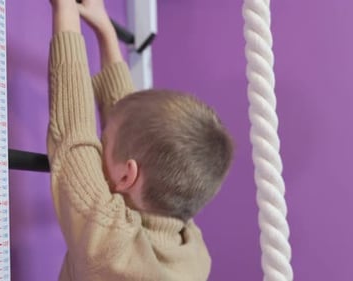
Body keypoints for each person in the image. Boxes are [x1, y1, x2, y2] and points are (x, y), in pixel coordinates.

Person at [47, 0, 234, 280]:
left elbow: (74, 135)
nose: (100, 142)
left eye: (104, 140)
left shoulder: (112, 246)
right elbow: (133, 126)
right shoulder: (192, 250)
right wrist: (106, 32)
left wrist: (65, 9)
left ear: (127, 176)